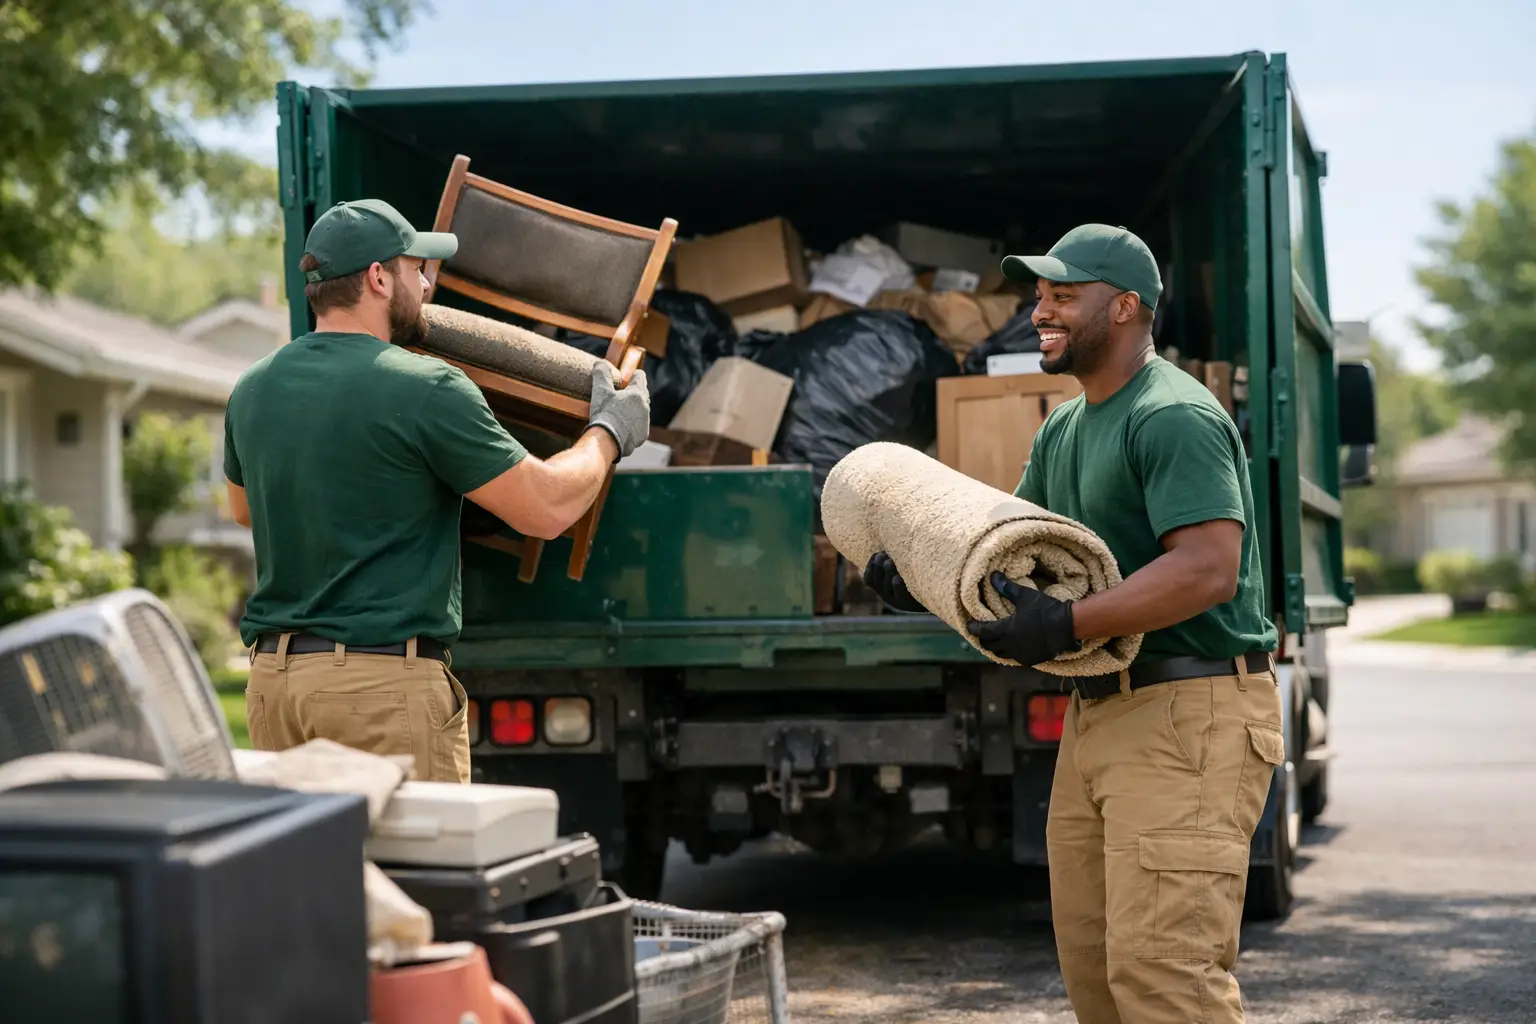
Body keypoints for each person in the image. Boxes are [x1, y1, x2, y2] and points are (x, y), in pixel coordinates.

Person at [863, 223, 1283, 1024]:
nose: (1039, 311)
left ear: (1125, 307)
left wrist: (1068, 624)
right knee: (1098, 979)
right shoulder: (1066, 427)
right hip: (1100, 715)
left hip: (1189, 715)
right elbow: (1017, 554)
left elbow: (1207, 568)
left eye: (1063, 295)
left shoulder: (1172, 414)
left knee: (1164, 980)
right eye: (1039, 295)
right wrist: (924, 579)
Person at [224, 198, 652, 783]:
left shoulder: (252, 388)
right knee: (419, 848)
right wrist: (610, 432)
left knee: (315, 849)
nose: (426, 285)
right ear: (378, 278)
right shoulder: (426, 388)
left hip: (274, 690)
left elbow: (245, 510)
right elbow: (547, 509)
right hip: (377, 692)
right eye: (416, 269)